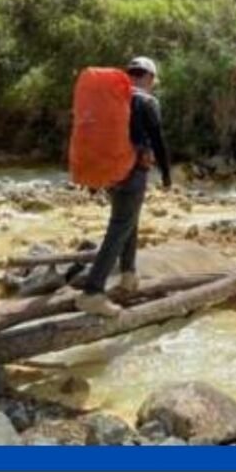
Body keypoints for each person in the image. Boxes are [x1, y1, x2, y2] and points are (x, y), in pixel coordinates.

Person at [74, 56, 172, 317]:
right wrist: (166, 175)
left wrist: (94, 178)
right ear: (149, 77)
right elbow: (158, 140)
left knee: (129, 220)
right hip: (133, 173)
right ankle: (92, 293)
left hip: (110, 173)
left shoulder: (114, 98)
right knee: (119, 227)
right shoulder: (147, 101)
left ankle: (129, 274)